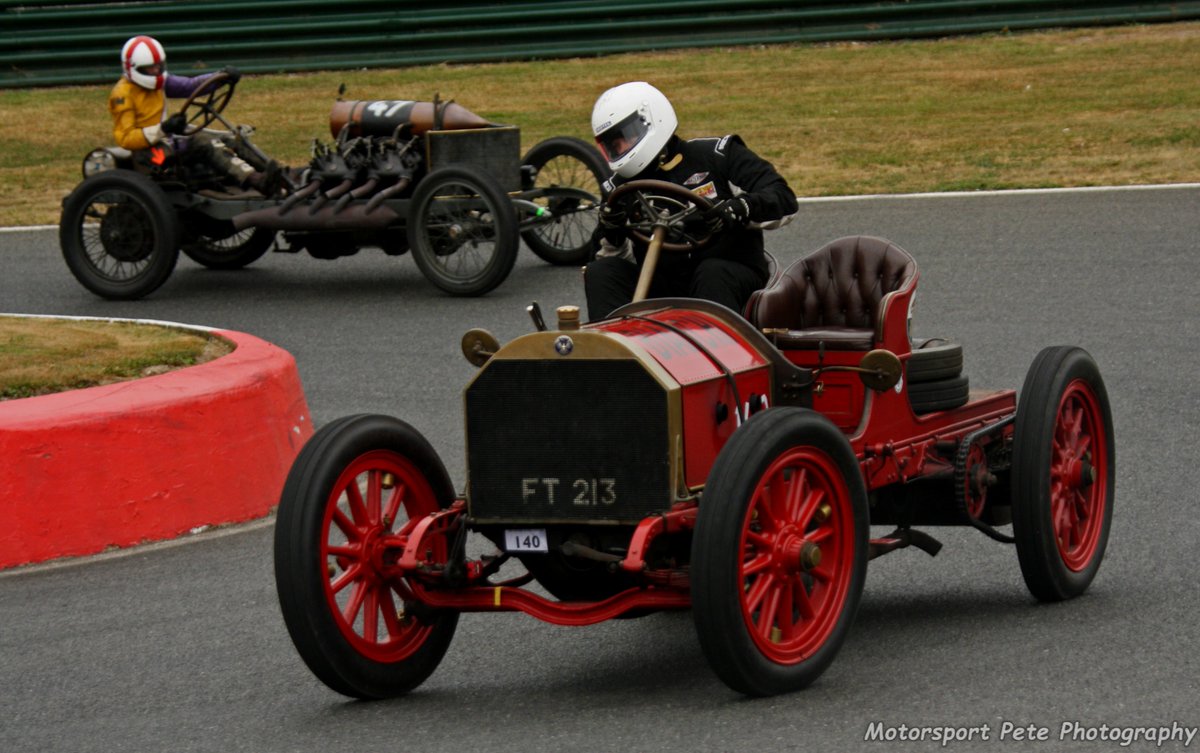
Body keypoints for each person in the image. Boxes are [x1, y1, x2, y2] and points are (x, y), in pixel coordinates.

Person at [584, 81, 799, 322]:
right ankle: (613, 354)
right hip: (662, 284)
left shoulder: (718, 155)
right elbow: (606, 255)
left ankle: (720, 352)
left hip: (729, 274)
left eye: (626, 136)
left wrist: (736, 209)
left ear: (652, 119)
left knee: (711, 273)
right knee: (600, 272)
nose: (621, 147)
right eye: (614, 145)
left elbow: (783, 199)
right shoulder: (619, 190)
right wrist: (611, 230)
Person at [109, 35, 280, 194]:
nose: (155, 71)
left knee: (231, 139)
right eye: (149, 68)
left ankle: (278, 175)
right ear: (130, 68)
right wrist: (163, 128)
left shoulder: (161, 82)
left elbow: (191, 86)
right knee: (202, 142)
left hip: (165, 142)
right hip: (148, 156)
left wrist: (220, 77)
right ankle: (255, 180)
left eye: (158, 66)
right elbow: (125, 138)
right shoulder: (122, 95)